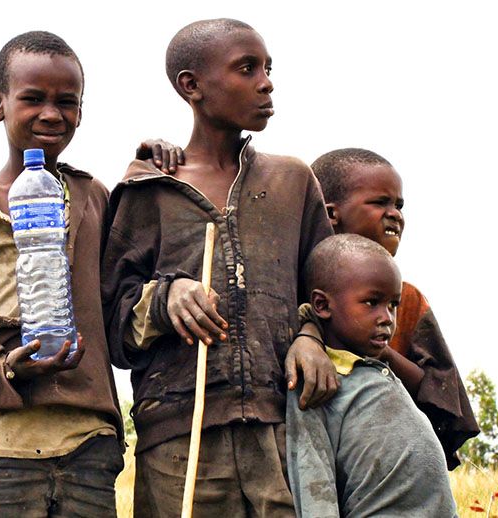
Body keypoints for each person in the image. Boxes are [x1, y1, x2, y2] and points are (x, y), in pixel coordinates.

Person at [0, 31, 183, 517]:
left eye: (67, 102)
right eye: (32, 99)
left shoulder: (92, 197)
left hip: (89, 445)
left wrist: (151, 169)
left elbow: (122, 297)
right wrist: (8, 367)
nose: (51, 114)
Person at [101, 18, 337, 517]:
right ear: (192, 86)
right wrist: (164, 300)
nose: (266, 82)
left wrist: (311, 335)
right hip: (179, 440)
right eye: (247, 69)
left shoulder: (294, 181)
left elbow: (329, 292)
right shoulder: (149, 191)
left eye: (268, 68)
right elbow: (111, 328)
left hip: (286, 428)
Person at [308, 148, 479, 469]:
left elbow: (443, 401)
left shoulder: (409, 301)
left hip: (384, 466)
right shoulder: (291, 286)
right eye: (380, 202)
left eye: (399, 205)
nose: (395, 214)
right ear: (331, 213)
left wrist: (381, 353)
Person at [287, 234, 457, 517]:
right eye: (372, 303)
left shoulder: (376, 372)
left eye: (393, 305)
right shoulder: (317, 378)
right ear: (322, 305)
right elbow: (312, 476)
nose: (387, 318)